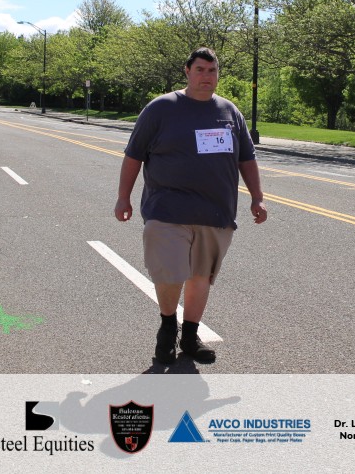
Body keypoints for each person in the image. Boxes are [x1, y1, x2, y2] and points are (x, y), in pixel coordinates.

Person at [114, 47, 267, 364]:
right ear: (187, 71)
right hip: (166, 210)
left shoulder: (229, 112)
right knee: (169, 272)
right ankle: (168, 326)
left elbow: (246, 159)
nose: (206, 76)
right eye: (200, 70)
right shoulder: (161, 109)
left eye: (212, 71)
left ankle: (190, 335)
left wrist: (257, 197)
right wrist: (123, 196)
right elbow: (134, 155)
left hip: (215, 212)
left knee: (200, 276)